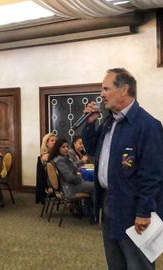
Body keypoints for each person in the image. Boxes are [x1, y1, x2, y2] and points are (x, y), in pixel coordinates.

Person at [82, 68, 163, 270]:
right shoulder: (110, 121)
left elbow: (153, 174)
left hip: (134, 210)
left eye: (106, 88)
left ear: (124, 89)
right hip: (110, 204)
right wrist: (91, 125)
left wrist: (144, 211)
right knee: (116, 263)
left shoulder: (147, 125)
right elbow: (93, 150)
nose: (102, 94)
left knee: (138, 265)